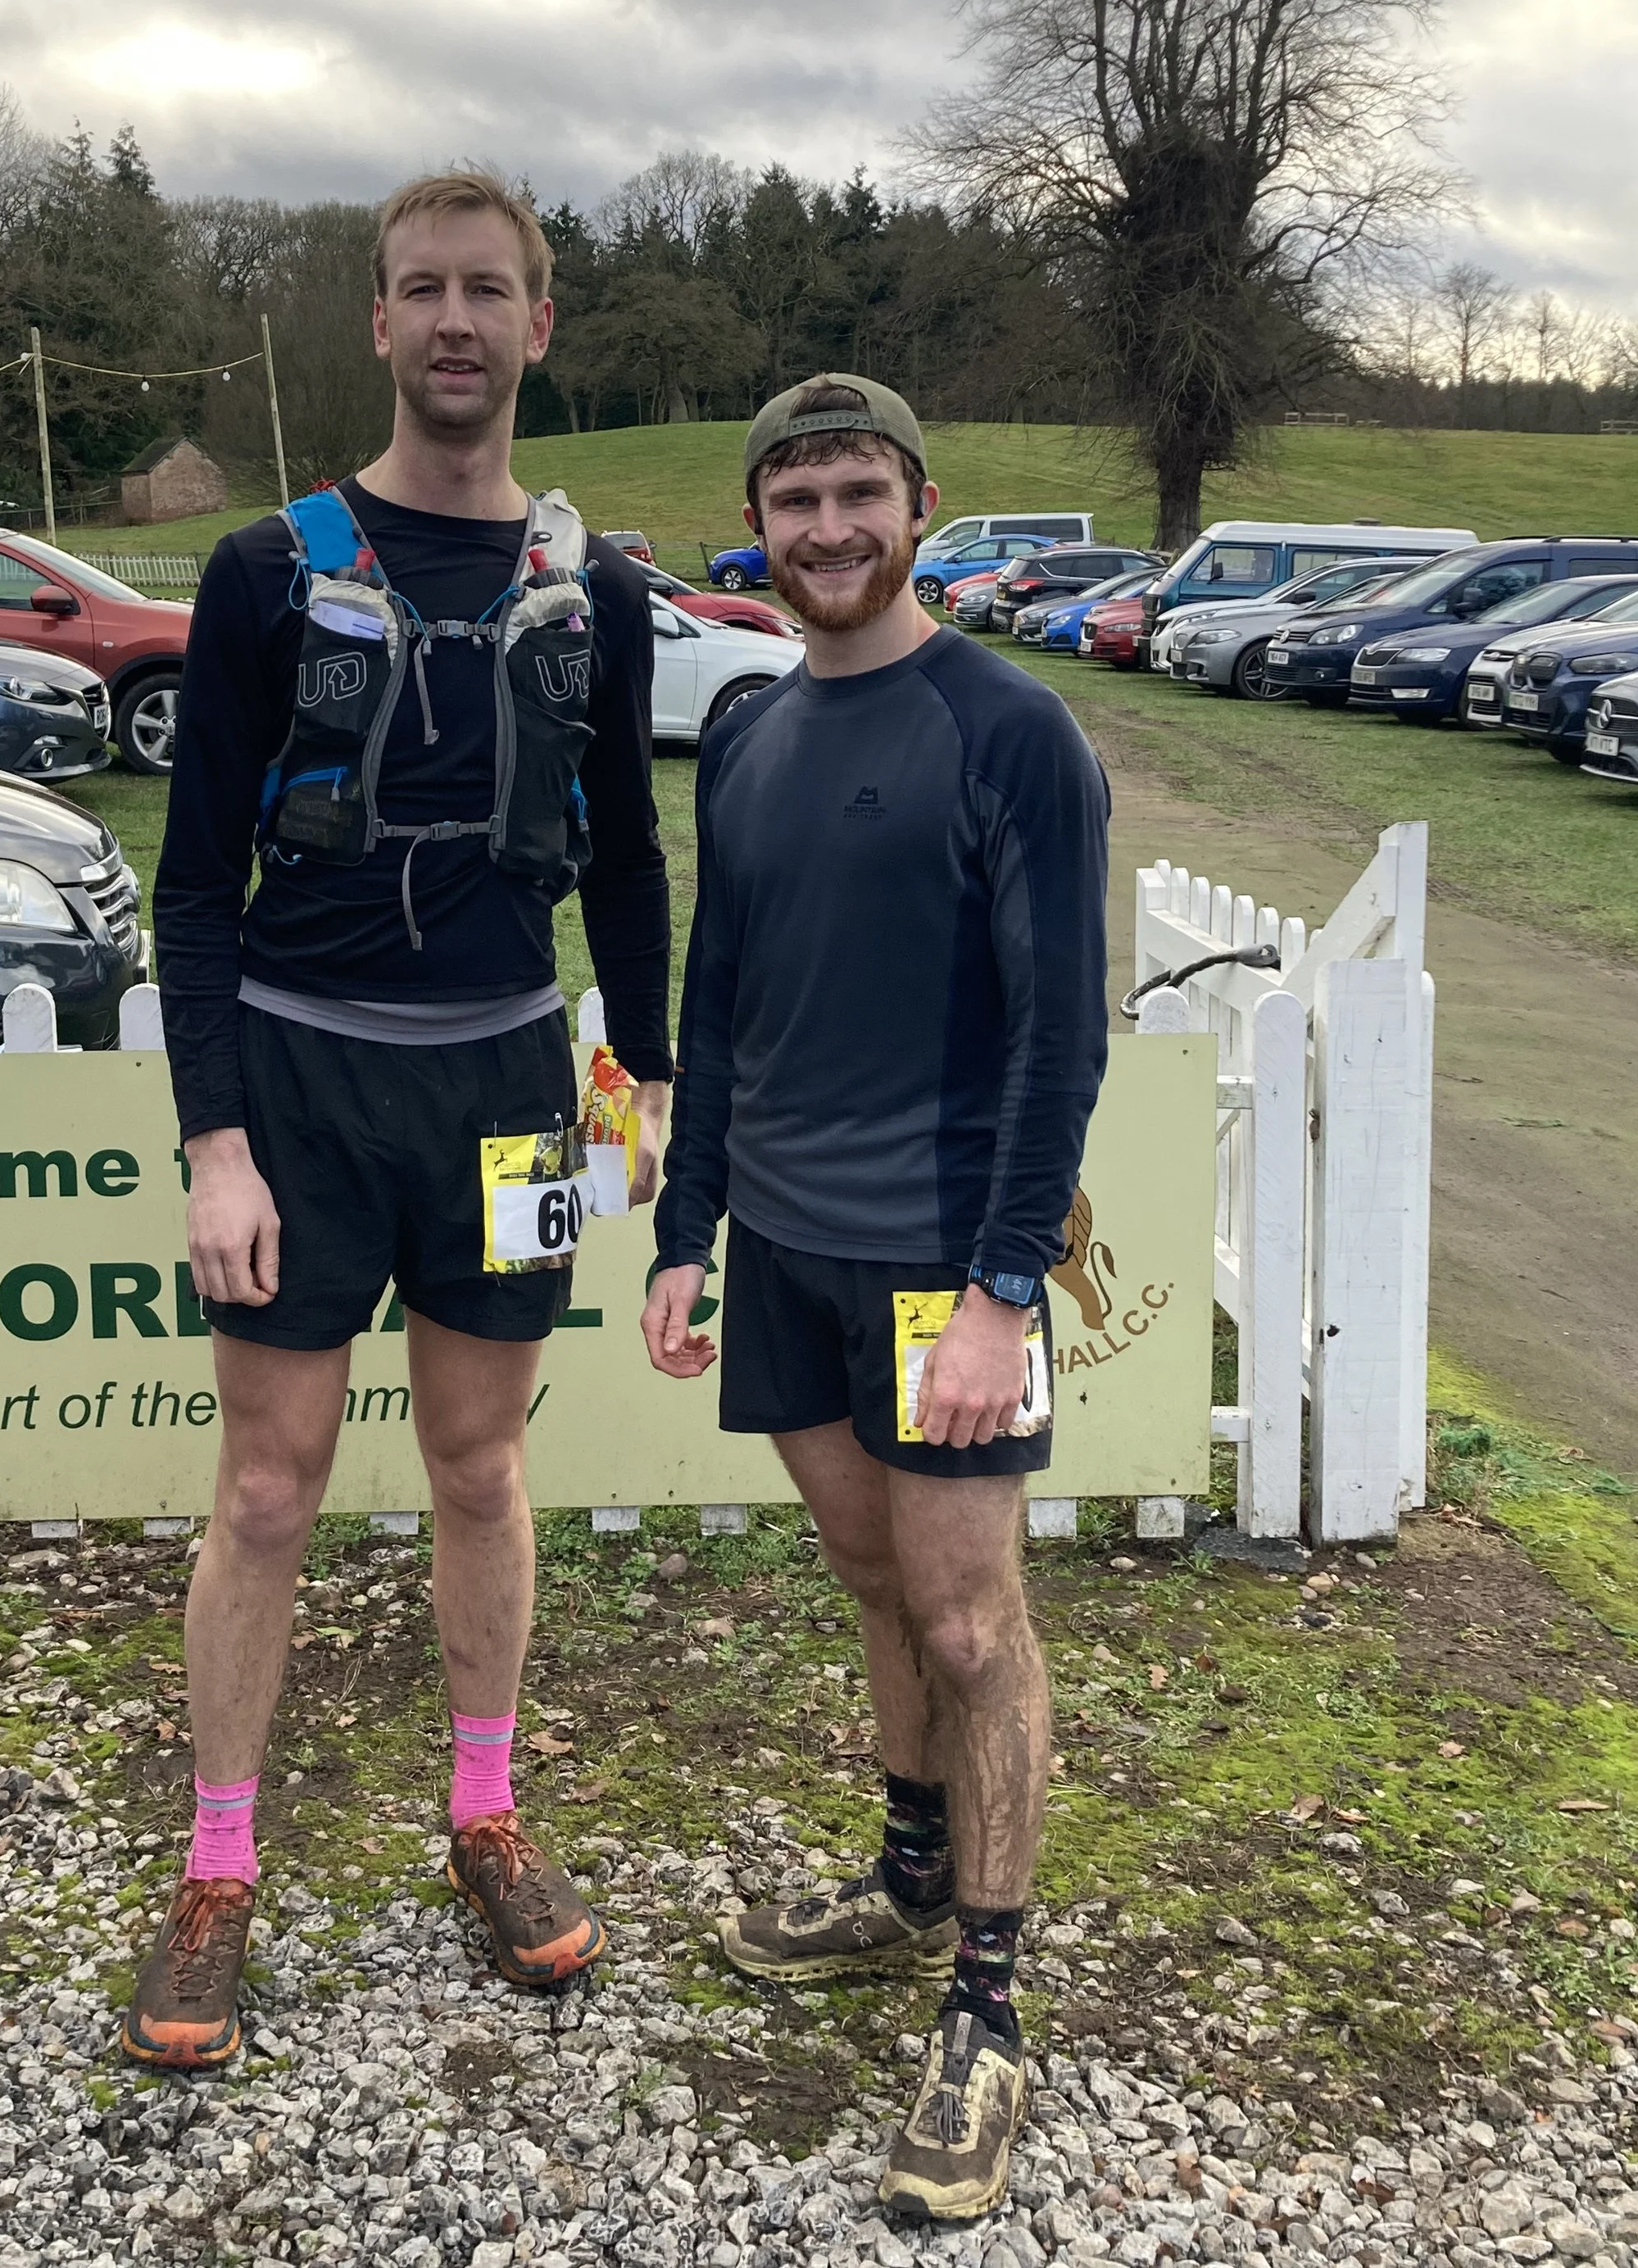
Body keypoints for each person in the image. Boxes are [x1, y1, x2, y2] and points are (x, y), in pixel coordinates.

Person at [126, 170, 673, 2071]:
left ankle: (484, 1812)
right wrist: (216, 1143)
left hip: (510, 1087)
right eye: (419, 289)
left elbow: (625, 857)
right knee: (267, 1488)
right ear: (377, 323)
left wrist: (650, 1065)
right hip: (301, 1076)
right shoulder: (266, 570)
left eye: (487, 291)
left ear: (538, 327)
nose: (454, 320)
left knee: (480, 1470)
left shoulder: (591, 588)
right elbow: (190, 886)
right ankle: (215, 1865)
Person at [642, 375, 1109, 2222]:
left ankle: (984, 2006)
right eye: (793, 498)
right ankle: (908, 1884)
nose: (826, 529)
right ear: (757, 521)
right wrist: (686, 1230)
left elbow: (1059, 1029)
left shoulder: (1010, 732)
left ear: (920, 504)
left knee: (972, 1617)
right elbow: (714, 1009)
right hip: (788, 1252)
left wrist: (1002, 1285)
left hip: (942, 1259)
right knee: (873, 1582)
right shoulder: (748, 731)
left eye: (857, 493)